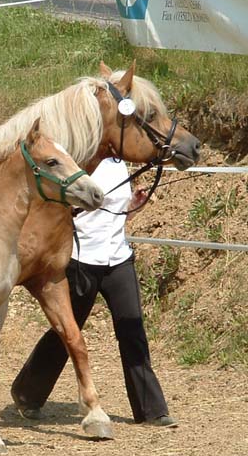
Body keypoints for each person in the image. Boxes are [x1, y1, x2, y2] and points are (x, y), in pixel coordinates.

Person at [10, 157, 178, 427]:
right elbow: (58, 212)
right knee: (66, 332)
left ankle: (151, 410)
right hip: (82, 259)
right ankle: (27, 392)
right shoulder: (78, 162)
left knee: (132, 330)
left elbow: (114, 216)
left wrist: (132, 206)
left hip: (118, 258)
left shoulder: (119, 163)